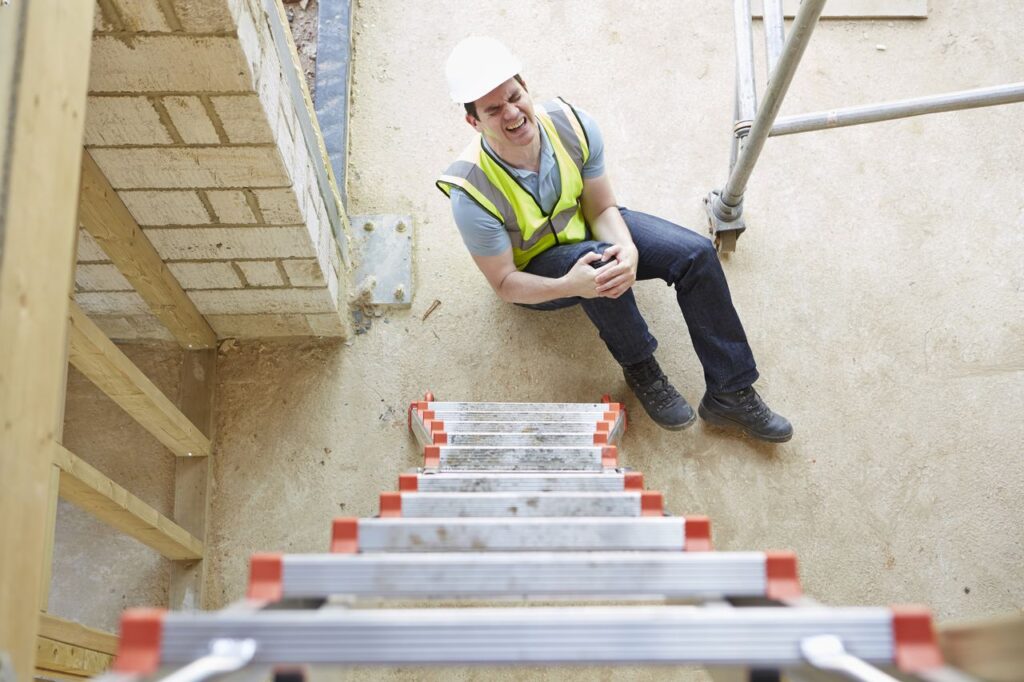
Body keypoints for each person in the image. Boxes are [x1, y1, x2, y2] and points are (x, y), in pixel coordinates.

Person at [436, 37, 792, 443]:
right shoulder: (471, 192)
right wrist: (569, 285)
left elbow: (602, 208)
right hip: (538, 272)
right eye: (493, 110)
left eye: (515, 97)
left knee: (694, 254)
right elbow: (503, 284)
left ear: (525, 87)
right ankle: (641, 366)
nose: (512, 113)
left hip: (589, 229)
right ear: (474, 122)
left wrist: (628, 249)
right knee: (599, 264)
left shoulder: (572, 125)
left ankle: (731, 390)